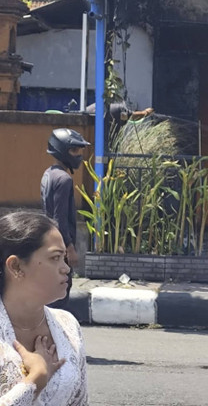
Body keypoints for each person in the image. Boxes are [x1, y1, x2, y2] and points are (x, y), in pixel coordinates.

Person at [0, 211, 88, 404]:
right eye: (55, 258)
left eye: (64, 257)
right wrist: (35, 380)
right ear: (16, 266)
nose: (66, 268)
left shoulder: (68, 325)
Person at [40, 128, 90, 308]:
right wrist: (69, 247)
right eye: (74, 150)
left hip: (49, 244)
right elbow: (59, 217)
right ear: (61, 150)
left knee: (52, 294)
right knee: (61, 295)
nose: (79, 155)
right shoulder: (64, 179)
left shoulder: (49, 174)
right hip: (60, 247)